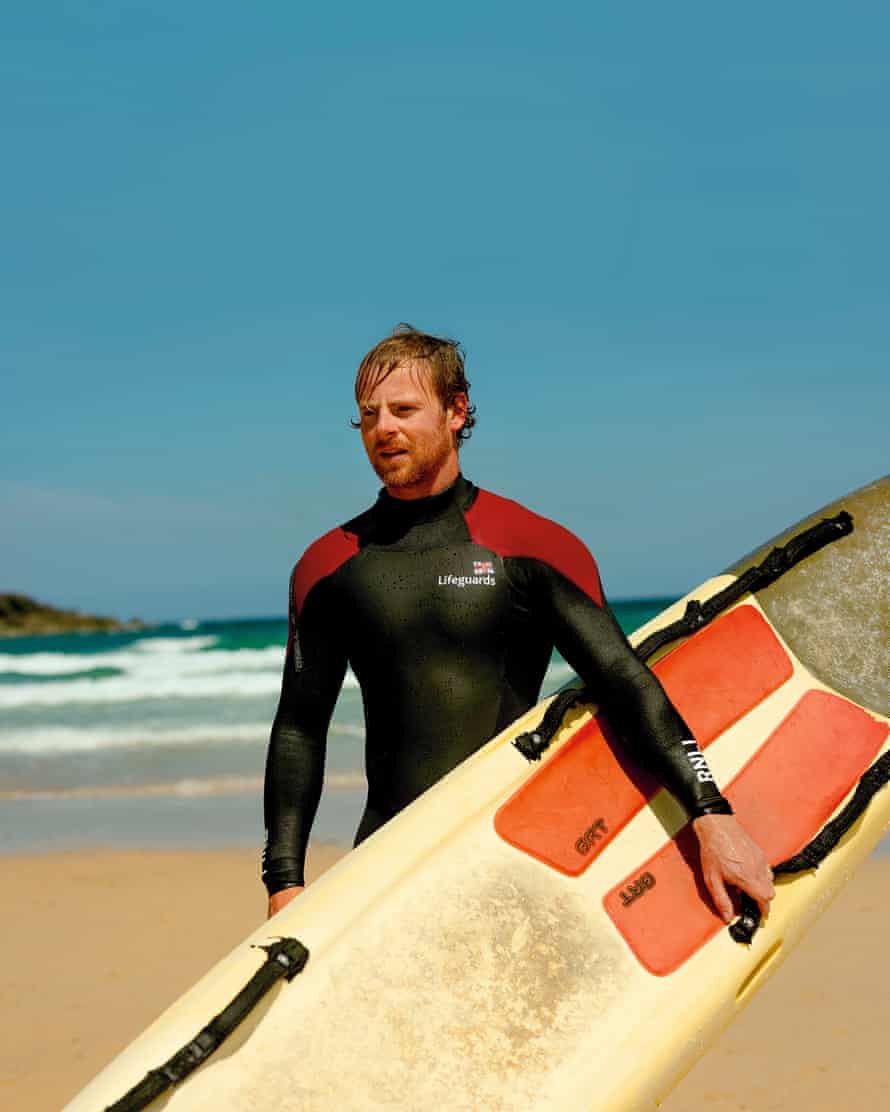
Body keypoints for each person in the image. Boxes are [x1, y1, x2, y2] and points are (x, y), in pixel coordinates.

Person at [263, 325, 775, 922]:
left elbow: (625, 683)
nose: (384, 429)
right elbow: (300, 728)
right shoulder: (330, 567)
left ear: (455, 412)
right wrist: (286, 883)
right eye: (369, 415)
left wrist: (711, 815)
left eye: (403, 409)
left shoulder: (529, 546)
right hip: (387, 857)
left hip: (516, 854)